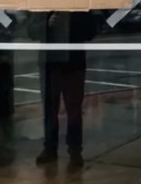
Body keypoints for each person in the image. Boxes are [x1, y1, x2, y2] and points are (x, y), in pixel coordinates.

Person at [28, 10, 98, 170]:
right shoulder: (44, 4)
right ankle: (50, 148)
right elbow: (30, 30)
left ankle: (74, 150)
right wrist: (46, 25)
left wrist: (69, 23)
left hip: (73, 64)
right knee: (50, 109)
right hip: (50, 64)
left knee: (74, 110)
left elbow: (91, 31)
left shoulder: (79, 5)